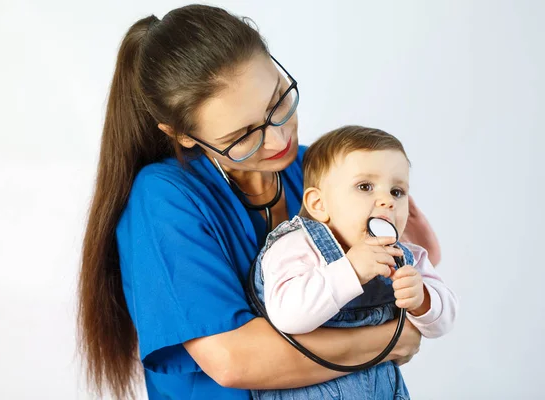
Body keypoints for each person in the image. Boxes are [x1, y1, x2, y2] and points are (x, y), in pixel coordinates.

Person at [77, 4, 441, 399]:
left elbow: (397, 281)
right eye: (243, 136)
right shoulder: (164, 199)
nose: (278, 137)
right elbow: (235, 359)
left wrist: (415, 254)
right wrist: (389, 341)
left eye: (277, 102)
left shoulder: (317, 170)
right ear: (182, 134)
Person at [250, 126, 458, 399]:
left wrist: (424, 300)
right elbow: (287, 316)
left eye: (397, 191)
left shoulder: (406, 256)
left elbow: (443, 322)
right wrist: (351, 271)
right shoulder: (296, 245)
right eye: (365, 187)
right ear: (319, 204)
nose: (386, 201)